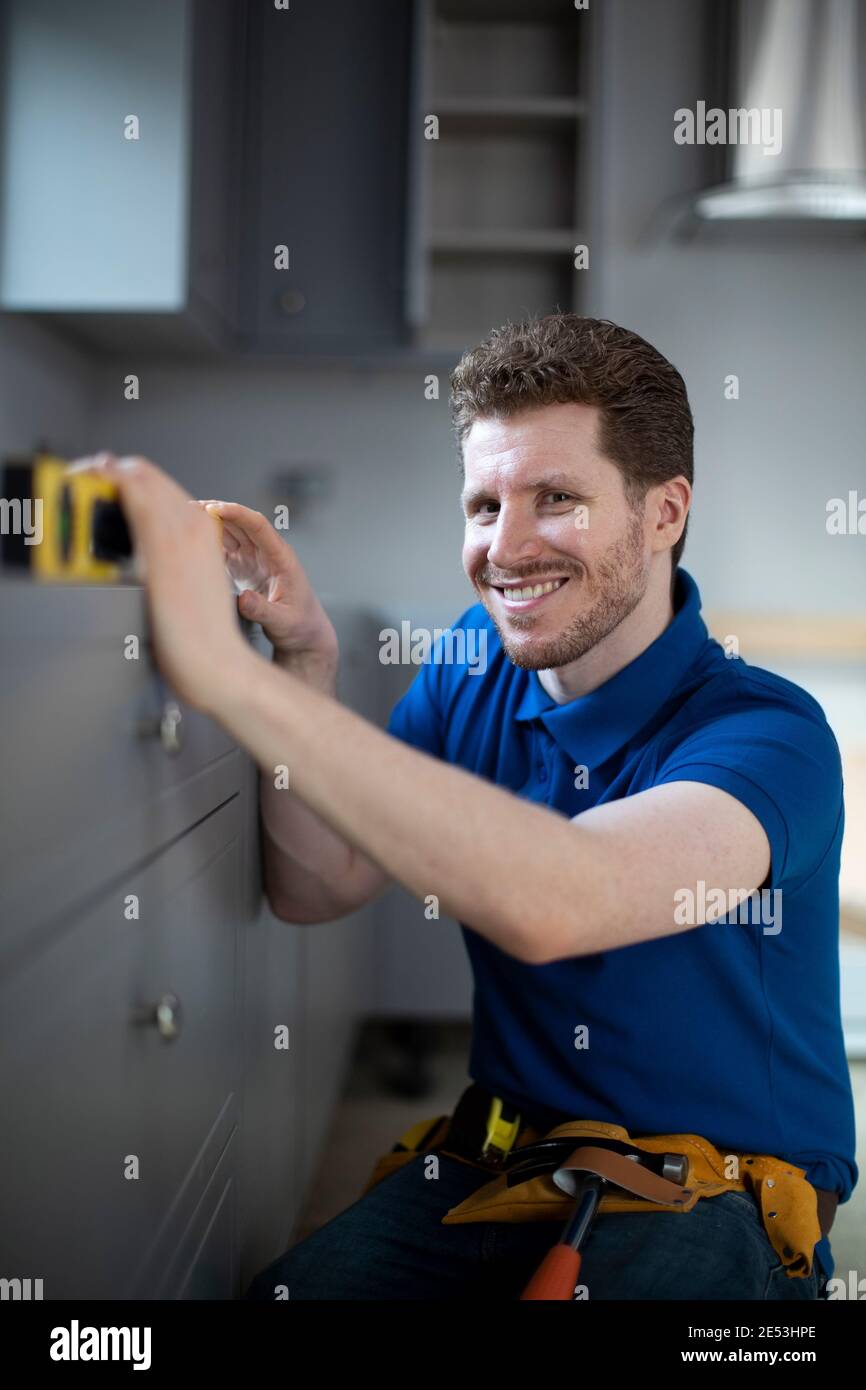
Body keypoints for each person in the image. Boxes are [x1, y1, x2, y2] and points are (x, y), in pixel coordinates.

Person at [79, 314, 856, 1300]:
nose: (506, 546)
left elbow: (561, 900)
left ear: (663, 512)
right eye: (483, 504)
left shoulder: (765, 733)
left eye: (556, 499)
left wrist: (227, 679)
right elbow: (321, 884)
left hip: (713, 1200)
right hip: (498, 1165)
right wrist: (306, 660)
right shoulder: (469, 663)